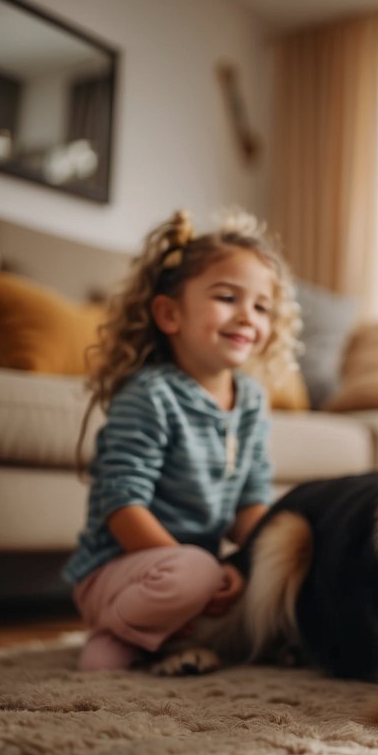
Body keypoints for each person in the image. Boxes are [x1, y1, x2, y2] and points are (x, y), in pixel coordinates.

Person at [66, 209, 299, 671]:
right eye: (228, 297)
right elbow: (121, 506)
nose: (246, 317)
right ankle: (119, 630)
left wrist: (260, 563)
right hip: (126, 574)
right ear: (170, 313)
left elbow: (250, 504)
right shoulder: (150, 395)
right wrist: (200, 575)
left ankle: (155, 643)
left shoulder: (251, 399)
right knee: (196, 572)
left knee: (277, 572)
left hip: (195, 577)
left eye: (260, 307)